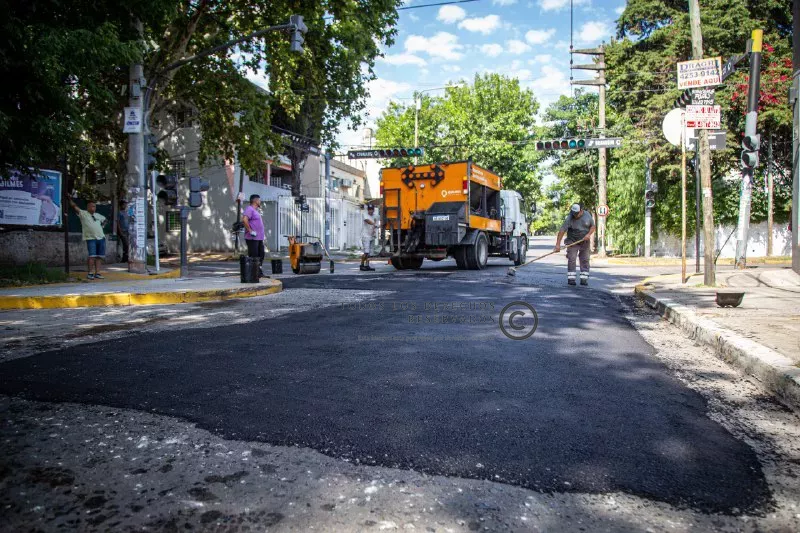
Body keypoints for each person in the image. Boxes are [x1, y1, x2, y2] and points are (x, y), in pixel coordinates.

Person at [554, 203, 596, 286]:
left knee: (585, 259)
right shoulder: (569, 218)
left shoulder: (587, 215)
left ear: (581, 211)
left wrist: (588, 235)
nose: (575, 215)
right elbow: (562, 231)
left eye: (576, 213)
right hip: (572, 241)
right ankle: (571, 279)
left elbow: (593, 226)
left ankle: (584, 279)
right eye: (573, 213)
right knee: (572, 258)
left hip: (584, 240)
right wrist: (557, 245)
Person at [69, 197, 107, 280]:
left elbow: (105, 220)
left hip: (101, 238)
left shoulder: (98, 215)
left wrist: (103, 225)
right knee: (92, 256)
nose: (93, 208)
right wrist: (69, 199)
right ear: (88, 207)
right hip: (91, 238)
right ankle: (90, 273)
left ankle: (98, 273)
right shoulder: (83, 214)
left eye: (94, 206)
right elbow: (74, 206)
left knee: (99, 257)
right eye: (92, 206)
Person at [242, 194, 266, 276]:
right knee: (254, 256)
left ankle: (258, 271)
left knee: (261, 254)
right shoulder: (249, 209)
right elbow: (244, 219)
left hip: (259, 238)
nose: (260, 202)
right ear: (255, 201)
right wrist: (250, 230)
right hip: (252, 238)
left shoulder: (256, 210)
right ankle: (253, 273)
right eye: (259, 200)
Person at [360, 204, 377, 271]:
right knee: (366, 252)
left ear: (373, 210)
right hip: (365, 236)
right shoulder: (365, 214)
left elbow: (375, 223)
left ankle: (367, 265)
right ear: (368, 210)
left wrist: (374, 231)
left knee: (369, 253)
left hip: (371, 236)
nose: (371, 211)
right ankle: (361, 265)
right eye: (369, 209)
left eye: (372, 209)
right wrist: (374, 224)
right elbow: (367, 221)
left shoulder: (374, 216)